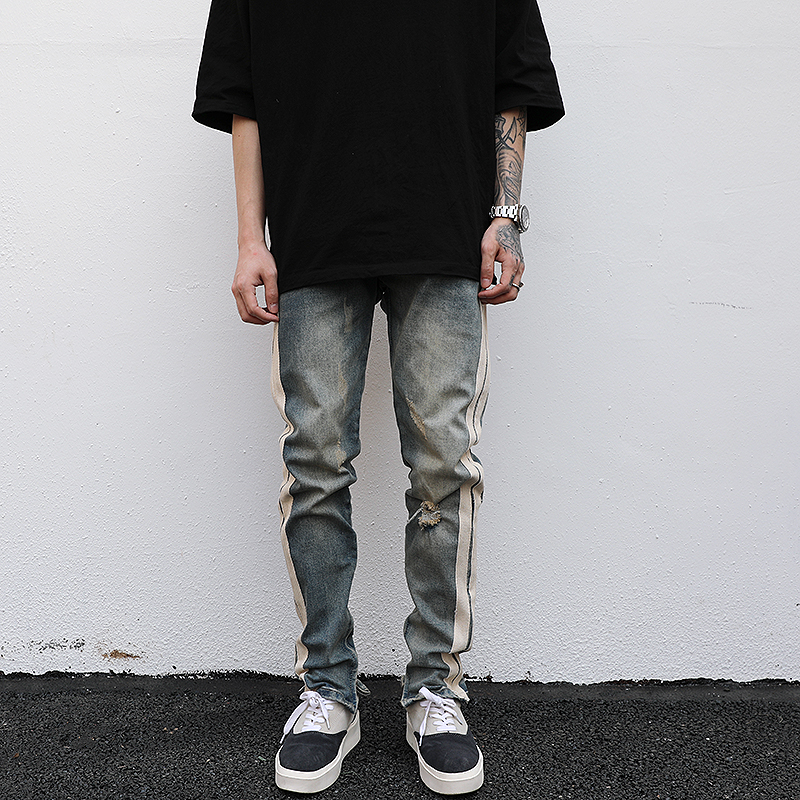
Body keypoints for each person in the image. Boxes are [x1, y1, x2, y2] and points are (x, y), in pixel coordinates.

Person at [193, 1, 563, 794]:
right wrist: (251, 240)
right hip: (314, 236)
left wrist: (506, 218)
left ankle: (435, 688)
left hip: (446, 233)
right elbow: (241, 96)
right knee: (316, 463)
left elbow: (513, 81)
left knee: (444, 466)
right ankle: (328, 688)